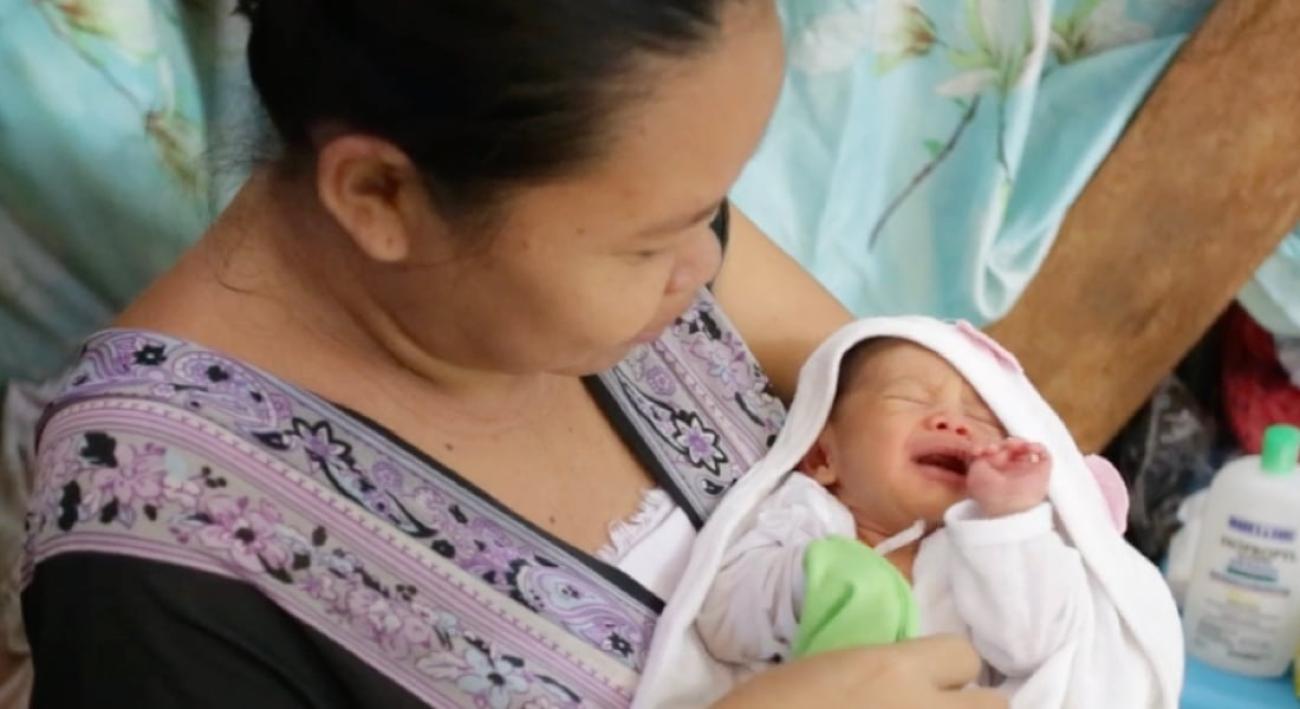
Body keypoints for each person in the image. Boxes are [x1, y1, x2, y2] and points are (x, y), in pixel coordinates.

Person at [19, 1, 1006, 707]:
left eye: (712, 205)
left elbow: (907, 394)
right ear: (378, 196)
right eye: (650, 241)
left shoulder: (609, 191)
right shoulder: (159, 566)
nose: (705, 266)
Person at [691, 333, 1174, 706]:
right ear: (822, 456)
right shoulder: (806, 516)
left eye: (983, 417)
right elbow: (719, 621)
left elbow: (1031, 647)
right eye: (910, 399)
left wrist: (1010, 519)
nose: (953, 422)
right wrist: (815, 580)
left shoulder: (988, 547)